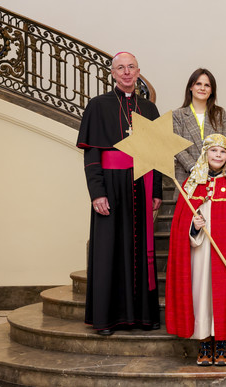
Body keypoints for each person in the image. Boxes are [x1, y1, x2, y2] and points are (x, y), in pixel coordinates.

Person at [76, 52, 162, 336]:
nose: (126, 72)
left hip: (142, 183)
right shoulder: (98, 106)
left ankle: (141, 317)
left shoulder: (148, 109)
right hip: (110, 186)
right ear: (112, 73)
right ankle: (107, 319)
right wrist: (96, 192)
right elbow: (92, 155)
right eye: (120, 68)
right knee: (108, 251)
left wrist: (157, 191)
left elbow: (156, 156)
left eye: (131, 67)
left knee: (139, 250)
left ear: (139, 72)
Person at [165, 134, 226, 366]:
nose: (218, 155)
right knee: (201, 295)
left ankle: (222, 342)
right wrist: (193, 226)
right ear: (206, 154)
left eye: (222, 152)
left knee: (223, 293)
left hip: (225, 251)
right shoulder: (192, 183)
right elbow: (179, 223)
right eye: (214, 151)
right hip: (199, 252)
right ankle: (204, 342)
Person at [173, 68, 226, 185]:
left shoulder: (220, 113)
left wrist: (213, 168)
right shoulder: (177, 115)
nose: (202, 88)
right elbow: (176, 146)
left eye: (207, 85)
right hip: (187, 176)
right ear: (191, 87)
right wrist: (195, 168)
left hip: (217, 176)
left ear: (212, 91)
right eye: (198, 84)